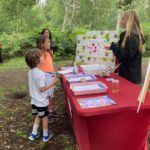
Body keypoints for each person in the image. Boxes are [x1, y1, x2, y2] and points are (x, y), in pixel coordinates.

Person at [25, 48, 57, 142]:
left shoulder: (30, 72)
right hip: (42, 102)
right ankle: (45, 136)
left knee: (38, 116)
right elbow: (42, 89)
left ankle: (33, 134)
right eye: (42, 56)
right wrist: (52, 82)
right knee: (45, 118)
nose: (44, 57)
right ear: (36, 60)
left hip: (34, 101)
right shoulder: (40, 74)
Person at [106, 10, 145, 84]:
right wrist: (114, 46)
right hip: (126, 75)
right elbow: (124, 50)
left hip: (129, 78)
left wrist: (113, 47)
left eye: (123, 18)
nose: (121, 21)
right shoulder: (128, 35)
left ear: (129, 20)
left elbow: (126, 55)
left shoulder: (132, 37)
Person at [36, 35, 55, 114]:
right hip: (44, 77)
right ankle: (44, 112)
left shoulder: (48, 53)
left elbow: (50, 65)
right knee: (45, 95)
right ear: (42, 44)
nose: (49, 43)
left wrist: (53, 73)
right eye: (47, 42)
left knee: (50, 95)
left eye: (49, 42)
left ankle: (49, 110)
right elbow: (37, 66)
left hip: (50, 76)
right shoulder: (40, 54)